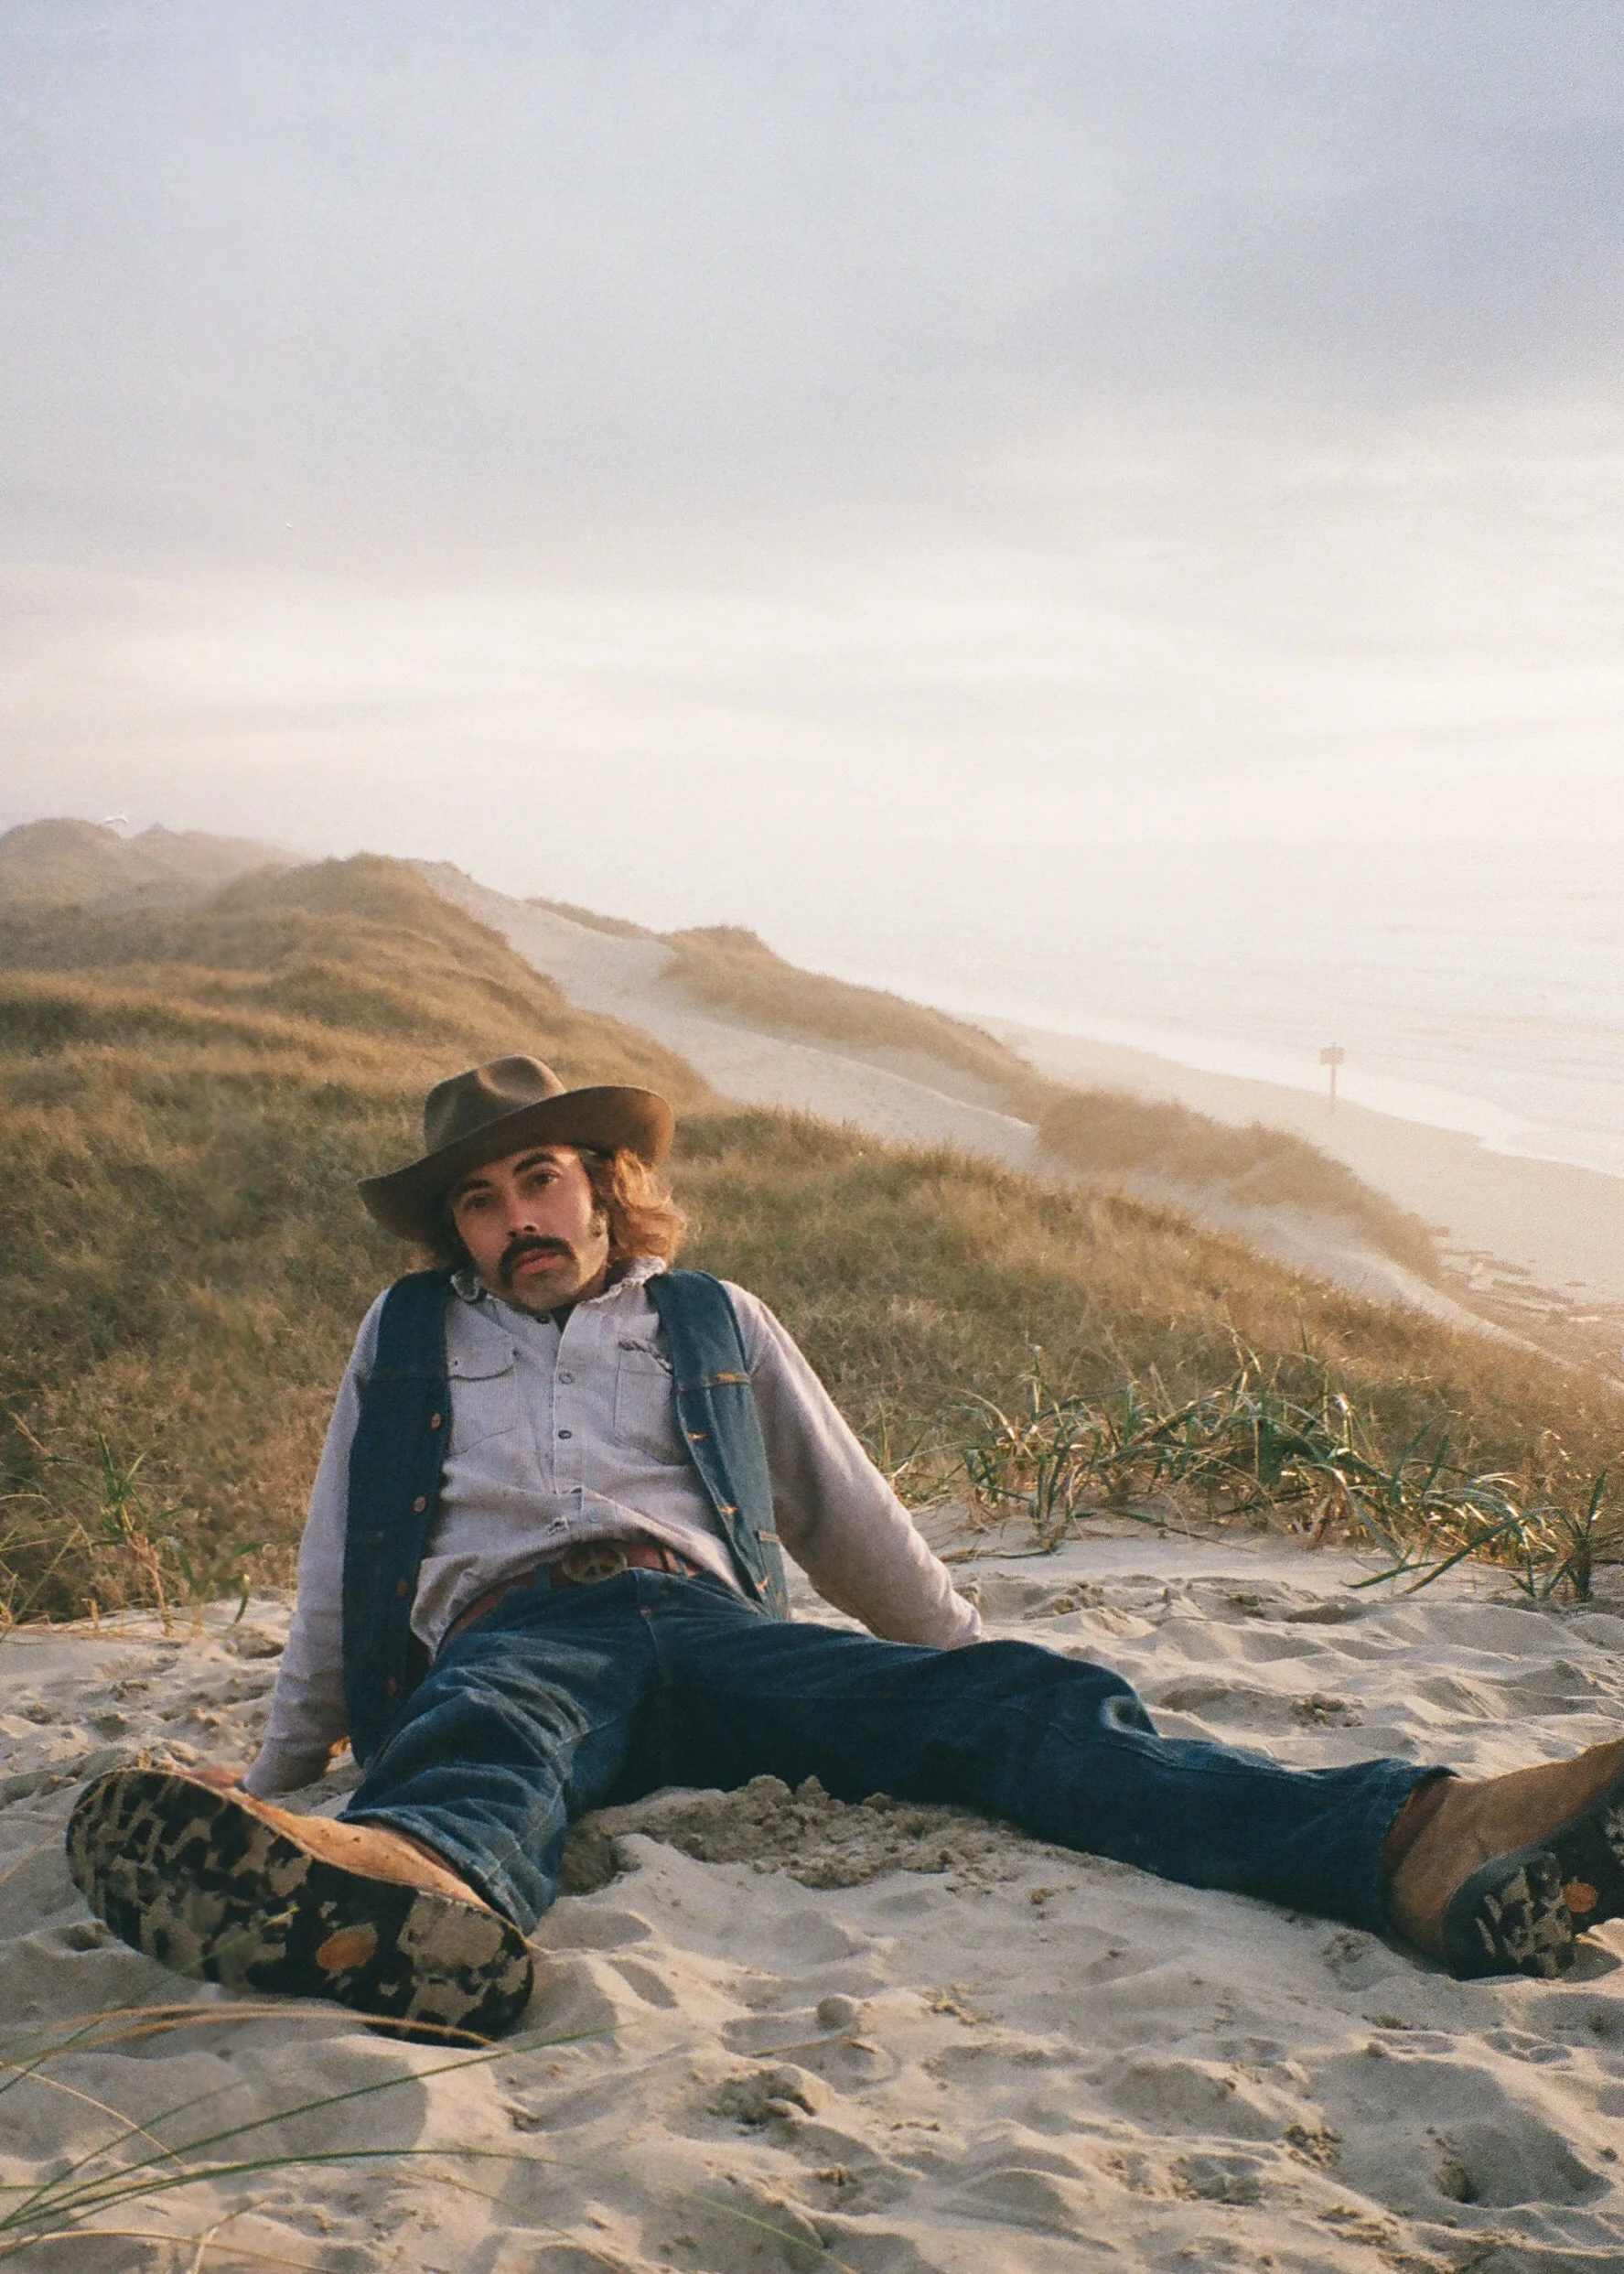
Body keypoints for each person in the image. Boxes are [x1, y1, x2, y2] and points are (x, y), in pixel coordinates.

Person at [69, 1056, 1624, 2041]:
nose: (515, 1215)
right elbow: (342, 1553)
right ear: (455, 1230)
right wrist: (279, 1778)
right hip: (517, 1634)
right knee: (492, 1737)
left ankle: (1415, 1852)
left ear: (604, 1185)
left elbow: (846, 1515)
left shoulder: (712, 1319)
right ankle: (406, 1898)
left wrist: (968, 1675)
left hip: (711, 1631)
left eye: (541, 1177)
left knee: (1028, 1703)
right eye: (480, 1200)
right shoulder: (405, 1336)